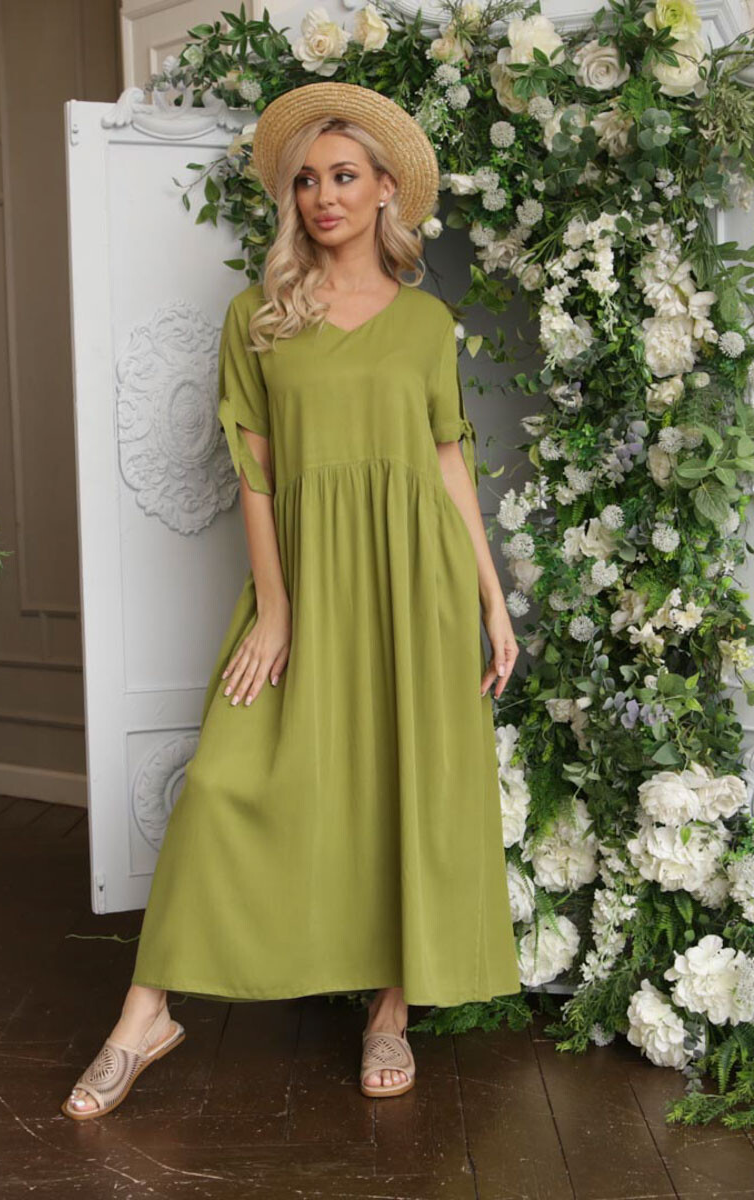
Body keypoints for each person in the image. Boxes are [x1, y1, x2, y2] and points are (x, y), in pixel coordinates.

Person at [61, 80, 521, 1120]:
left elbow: (447, 465)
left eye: (343, 177)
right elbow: (256, 474)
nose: (323, 197)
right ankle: (144, 1016)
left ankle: (389, 1012)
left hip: (415, 585)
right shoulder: (259, 317)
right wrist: (276, 610)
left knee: (401, 786)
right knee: (225, 782)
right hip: (306, 583)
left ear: (386, 190)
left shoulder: (426, 323)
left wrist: (491, 605)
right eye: (306, 181)